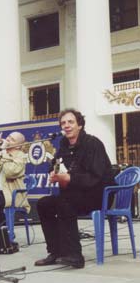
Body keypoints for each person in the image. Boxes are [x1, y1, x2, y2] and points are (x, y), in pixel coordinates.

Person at [34, 109, 115, 269]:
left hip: (98, 194)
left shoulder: (93, 143)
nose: (67, 125)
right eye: (63, 123)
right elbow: (57, 164)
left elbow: (95, 176)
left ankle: (75, 256)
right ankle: (56, 252)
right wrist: (54, 172)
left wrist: (69, 178)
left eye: (71, 122)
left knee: (65, 202)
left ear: (80, 125)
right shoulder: (63, 145)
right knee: (44, 204)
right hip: (75, 193)